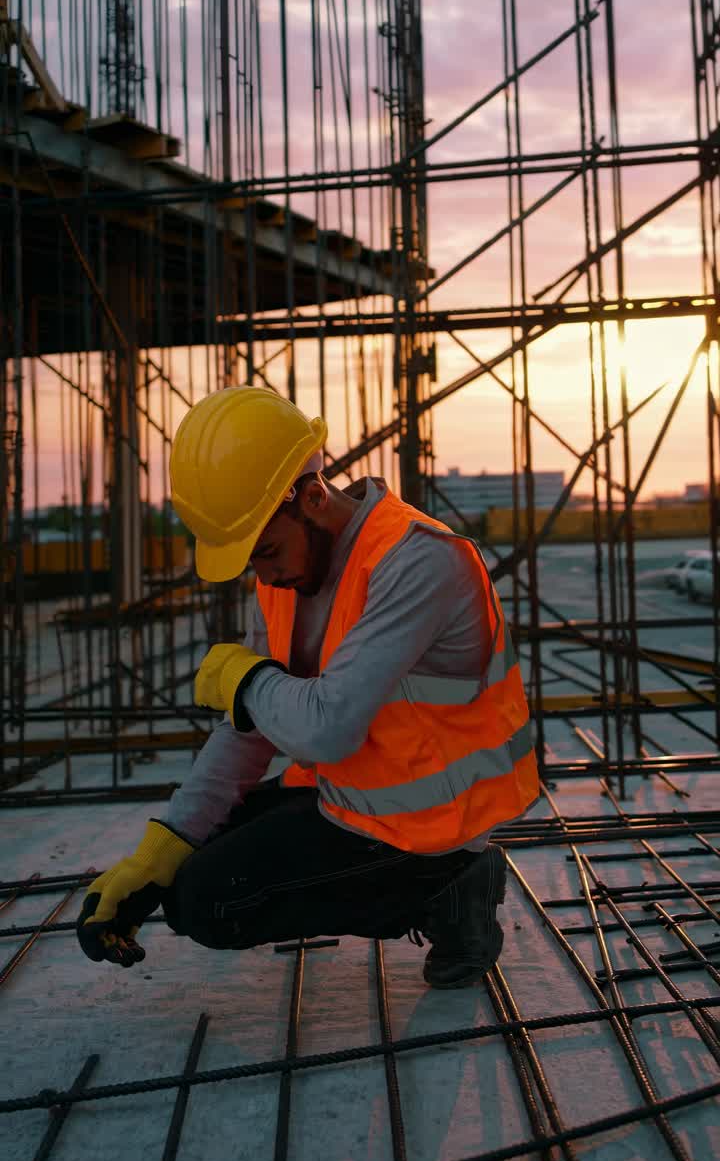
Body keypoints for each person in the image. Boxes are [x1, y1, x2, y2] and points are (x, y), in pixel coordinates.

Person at [76, 387, 539, 989]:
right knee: (182, 871)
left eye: (265, 552)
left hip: (433, 826)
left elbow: (326, 727)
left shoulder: (419, 561)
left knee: (207, 904)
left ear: (313, 497)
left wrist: (246, 677)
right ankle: (425, 883)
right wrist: (161, 851)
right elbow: (251, 725)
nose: (263, 575)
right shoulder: (285, 574)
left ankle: (451, 891)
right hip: (349, 798)